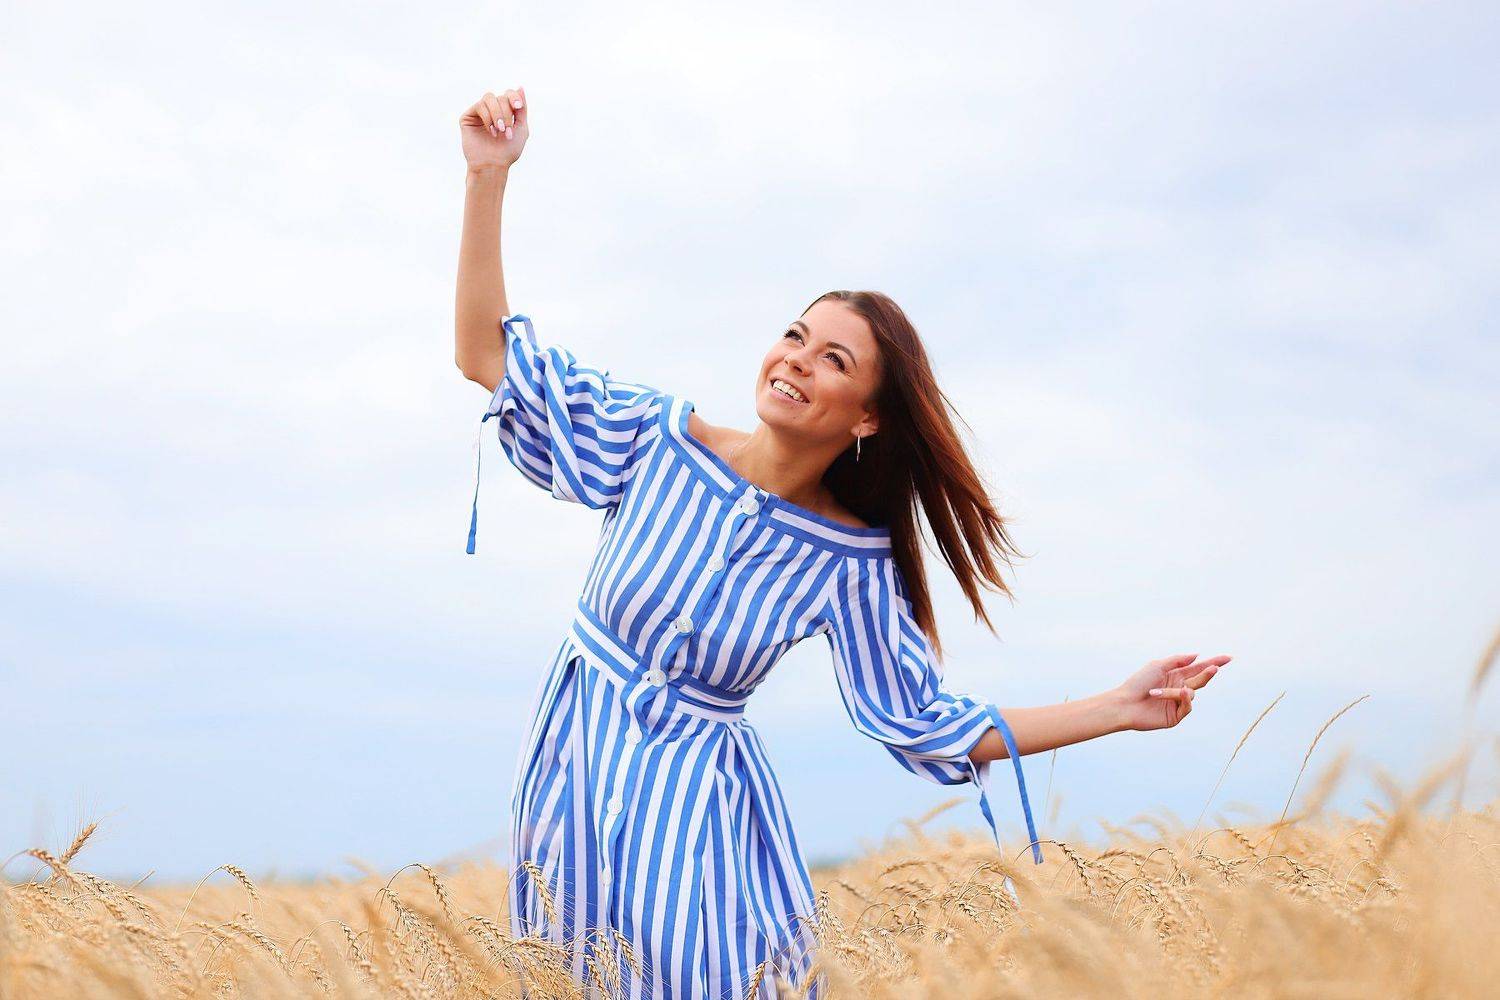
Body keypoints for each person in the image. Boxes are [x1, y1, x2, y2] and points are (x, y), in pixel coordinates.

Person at [453, 86, 1230, 1000]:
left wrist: (1119, 707)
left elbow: (930, 723)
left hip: (700, 824)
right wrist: (488, 178)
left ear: (866, 418)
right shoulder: (655, 439)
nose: (796, 359)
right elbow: (486, 358)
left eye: (834, 360)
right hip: (572, 778)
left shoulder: (848, 561)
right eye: (796, 336)